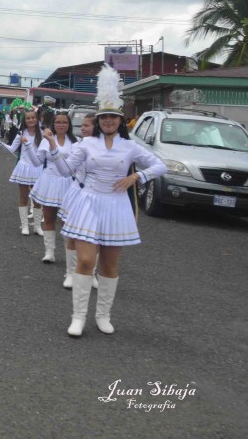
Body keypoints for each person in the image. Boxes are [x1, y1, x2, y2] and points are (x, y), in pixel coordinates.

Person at [52, 66, 166, 337]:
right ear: (99, 120)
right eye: (104, 118)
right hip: (89, 203)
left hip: (116, 206)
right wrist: (56, 154)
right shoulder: (86, 144)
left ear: (120, 120)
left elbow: (161, 166)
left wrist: (137, 175)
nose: (108, 121)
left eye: (113, 117)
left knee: (109, 265)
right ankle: (78, 317)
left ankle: (103, 315)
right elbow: (65, 170)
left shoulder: (131, 147)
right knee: (85, 261)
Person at [30, 111, 77, 263]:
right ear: (53, 124)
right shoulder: (46, 140)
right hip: (49, 181)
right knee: (49, 217)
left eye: (64, 122)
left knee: (66, 221)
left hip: (68, 183)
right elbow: (37, 162)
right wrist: (27, 147)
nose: (61, 125)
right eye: (58, 122)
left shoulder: (76, 142)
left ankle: (68, 252)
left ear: (69, 125)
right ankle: (49, 252)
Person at [59, 116, 95, 289]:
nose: (83, 128)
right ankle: (70, 273)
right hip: (77, 192)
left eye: (87, 126)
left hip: (97, 196)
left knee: (96, 236)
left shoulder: (108, 149)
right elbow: (67, 170)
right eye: (82, 126)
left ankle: (92, 273)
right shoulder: (76, 146)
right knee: (72, 234)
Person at [7, 109, 45, 235]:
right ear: (25, 120)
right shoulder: (21, 133)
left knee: (38, 199)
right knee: (23, 196)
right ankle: (24, 226)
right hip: (23, 168)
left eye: (33, 117)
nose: (30, 120)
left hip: (38, 168)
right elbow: (12, 148)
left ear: (37, 118)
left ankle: (37, 226)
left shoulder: (43, 133)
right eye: (28, 118)